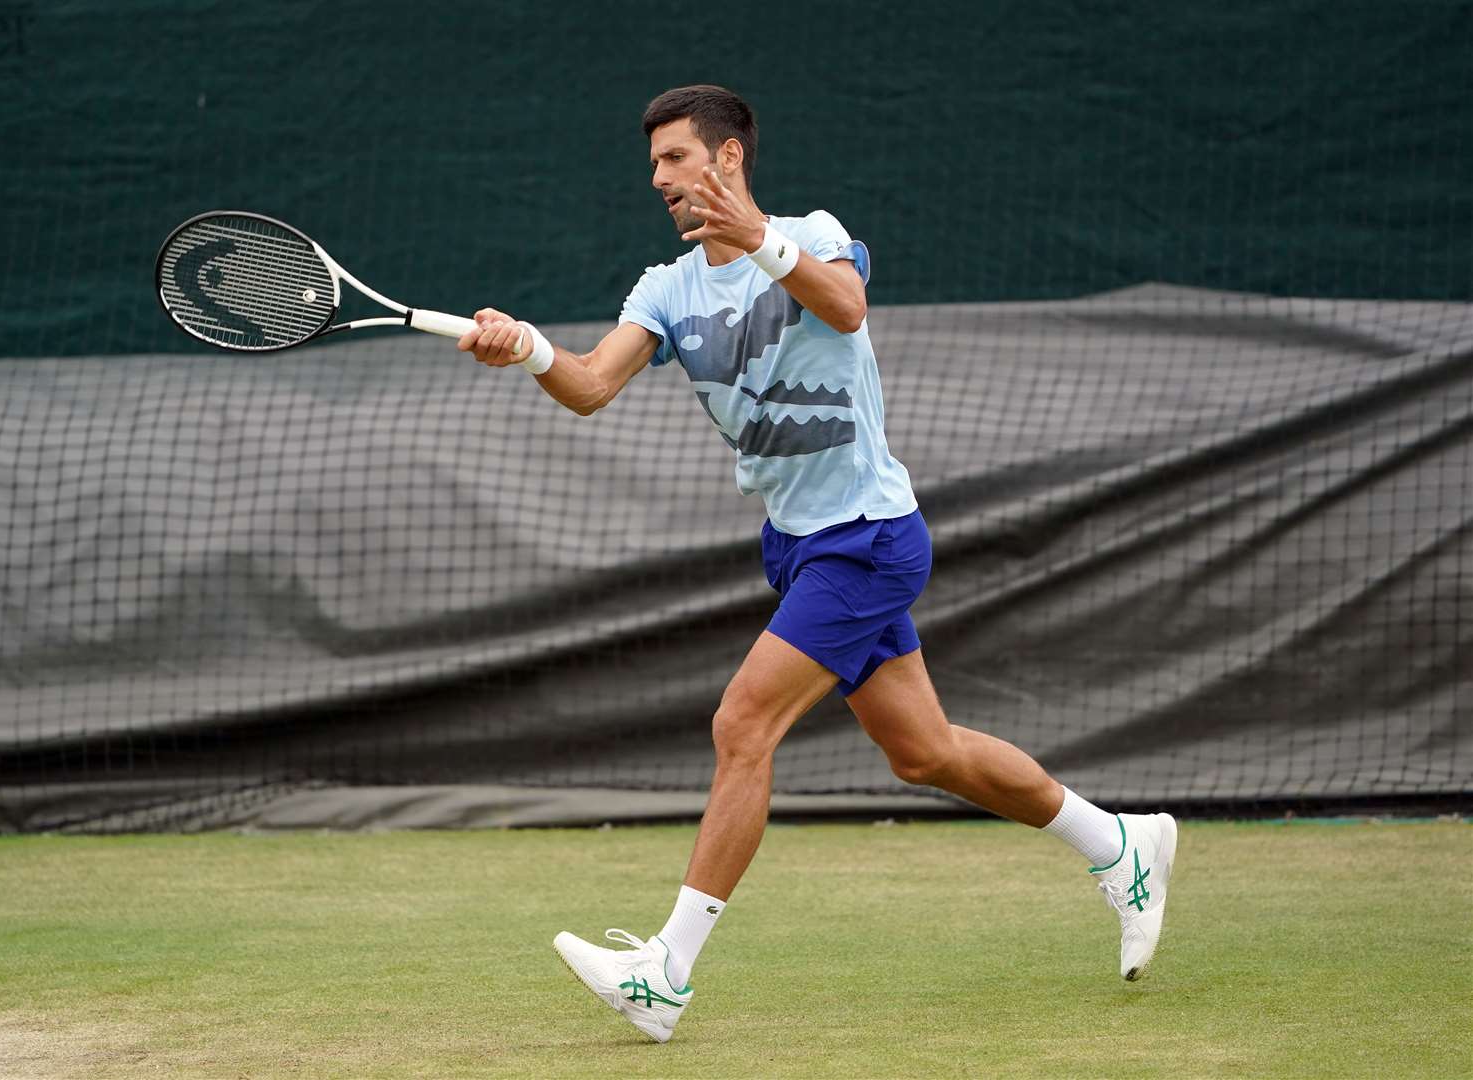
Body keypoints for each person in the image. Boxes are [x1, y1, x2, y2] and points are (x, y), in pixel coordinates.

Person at [457, 84, 1177, 1045]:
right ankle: (1119, 841)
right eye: (657, 166)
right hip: (797, 547)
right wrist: (531, 347)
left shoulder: (815, 234)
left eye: (677, 159)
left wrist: (760, 239)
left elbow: (843, 305)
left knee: (742, 722)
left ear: (728, 159)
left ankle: (664, 974)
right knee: (923, 752)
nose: (662, 179)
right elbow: (590, 385)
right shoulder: (664, 290)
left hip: (869, 537)